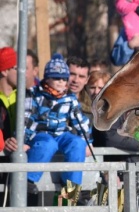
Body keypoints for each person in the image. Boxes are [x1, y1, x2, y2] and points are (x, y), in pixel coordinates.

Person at [24, 53, 92, 196]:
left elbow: (80, 121)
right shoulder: (35, 94)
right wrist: (23, 140)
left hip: (61, 133)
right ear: (47, 78)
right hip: (42, 134)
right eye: (56, 78)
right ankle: (29, 179)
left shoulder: (69, 98)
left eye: (64, 79)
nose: (61, 82)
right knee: (48, 144)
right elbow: (28, 118)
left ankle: (71, 187)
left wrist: (88, 141)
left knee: (77, 143)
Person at [0, 47, 17, 149]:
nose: (22, 72)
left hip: (21, 155)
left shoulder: (25, 96)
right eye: (16, 68)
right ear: (5, 72)